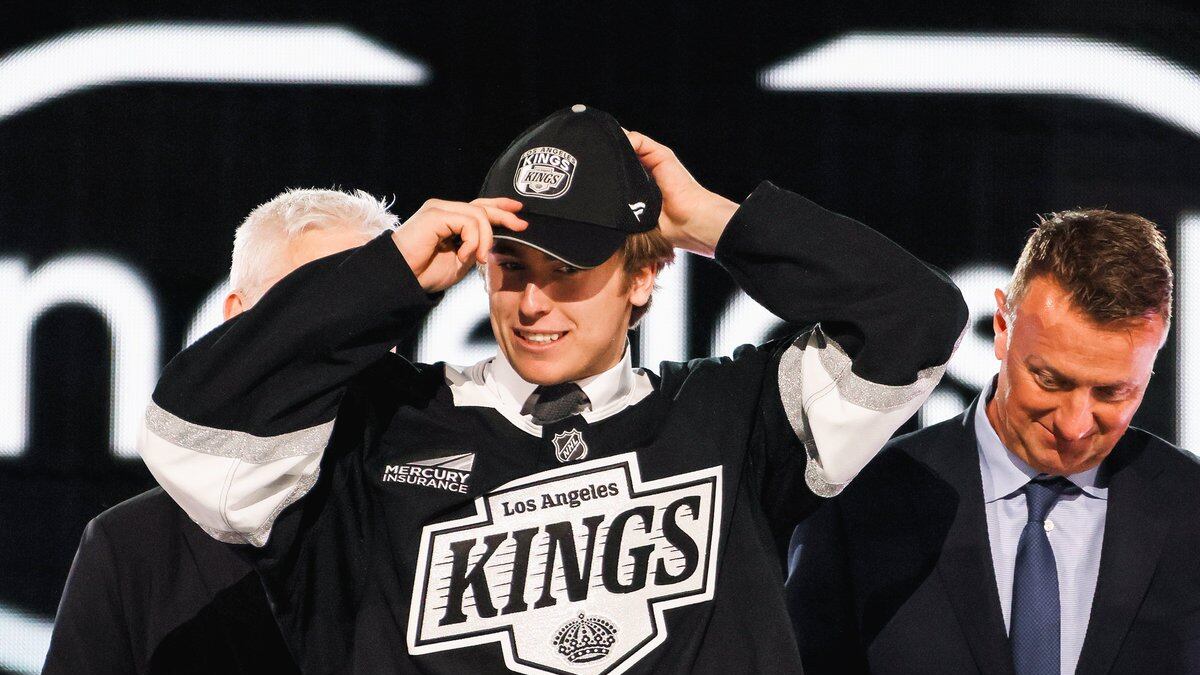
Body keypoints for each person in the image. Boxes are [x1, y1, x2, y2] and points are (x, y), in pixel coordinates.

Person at [139, 105, 967, 673]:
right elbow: (189, 432)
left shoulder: (735, 419)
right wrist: (387, 275)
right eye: (512, 268)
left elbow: (915, 319)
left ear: (645, 273)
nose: (533, 303)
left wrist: (719, 221)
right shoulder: (377, 427)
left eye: (569, 273)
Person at [786, 208, 1200, 674]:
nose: (1074, 425)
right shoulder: (860, 502)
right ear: (1002, 328)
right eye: (1050, 380)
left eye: (1111, 392)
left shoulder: (1190, 507)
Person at [43, 188, 394, 674]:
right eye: (307, 309)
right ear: (237, 318)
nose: (340, 336)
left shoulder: (442, 519)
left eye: (369, 308)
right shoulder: (132, 547)